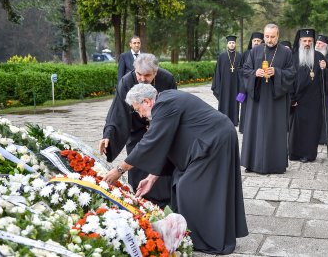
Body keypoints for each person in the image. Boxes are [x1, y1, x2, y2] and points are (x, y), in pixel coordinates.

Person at [102, 84, 248, 254]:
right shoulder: (165, 101)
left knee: (188, 187)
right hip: (209, 140)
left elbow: (150, 142)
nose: (140, 115)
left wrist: (119, 170)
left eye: (138, 109)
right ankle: (193, 232)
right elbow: (166, 142)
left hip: (214, 141)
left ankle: (207, 239)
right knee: (180, 181)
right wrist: (151, 178)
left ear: (147, 101)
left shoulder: (164, 105)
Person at [99, 53, 176, 207]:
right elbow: (117, 111)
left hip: (161, 131)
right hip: (138, 132)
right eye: (138, 74)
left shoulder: (167, 79)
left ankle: (167, 204)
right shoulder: (126, 82)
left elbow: (173, 106)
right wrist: (108, 134)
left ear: (156, 72)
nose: (141, 78)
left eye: (147, 75)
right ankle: (142, 202)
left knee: (162, 168)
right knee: (138, 164)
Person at [241, 23, 296, 174]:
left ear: (278, 36)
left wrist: (277, 72)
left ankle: (275, 165)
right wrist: (255, 73)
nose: (269, 40)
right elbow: (245, 70)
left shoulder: (286, 53)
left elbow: (291, 73)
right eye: (267, 36)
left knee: (274, 129)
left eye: (272, 37)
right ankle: (252, 163)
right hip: (257, 98)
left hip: (275, 99)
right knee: (255, 128)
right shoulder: (255, 50)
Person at [288, 29, 328, 163]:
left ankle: (308, 154)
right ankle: (294, 153)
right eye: (304, 41)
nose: (307, 43)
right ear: (299, 41)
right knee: (297, 128)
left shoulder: (319, 57)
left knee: (311, 128)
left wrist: (324, 69)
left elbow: (327, 80)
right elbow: (289, 79)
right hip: (298, 100)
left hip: (314, 100)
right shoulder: (293, 57)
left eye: (310, 41)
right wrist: (292, 98)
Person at [211, 36, 242, 126]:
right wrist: (218, 85)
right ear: (227, 44)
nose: (231, 44)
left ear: (235, 44)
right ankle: (223, 120)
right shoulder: (222, 56)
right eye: (230, 43)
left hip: (236, 84)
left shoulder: (239, 56)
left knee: (235, 101)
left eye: (233, 43)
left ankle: (235, 120)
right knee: (224, 101)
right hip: (224, 85)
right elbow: (218, 72)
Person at [238, 32, 264, 133]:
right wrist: (251, 74)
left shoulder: (266, 53)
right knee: (246, 107)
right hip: (247, 85)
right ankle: (245, 128)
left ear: (262, 42)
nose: (256, 43)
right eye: (254, 41)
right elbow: (240, 69)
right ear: (251, 42)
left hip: (260, 85)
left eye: (258, 41)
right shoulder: (246, 53)